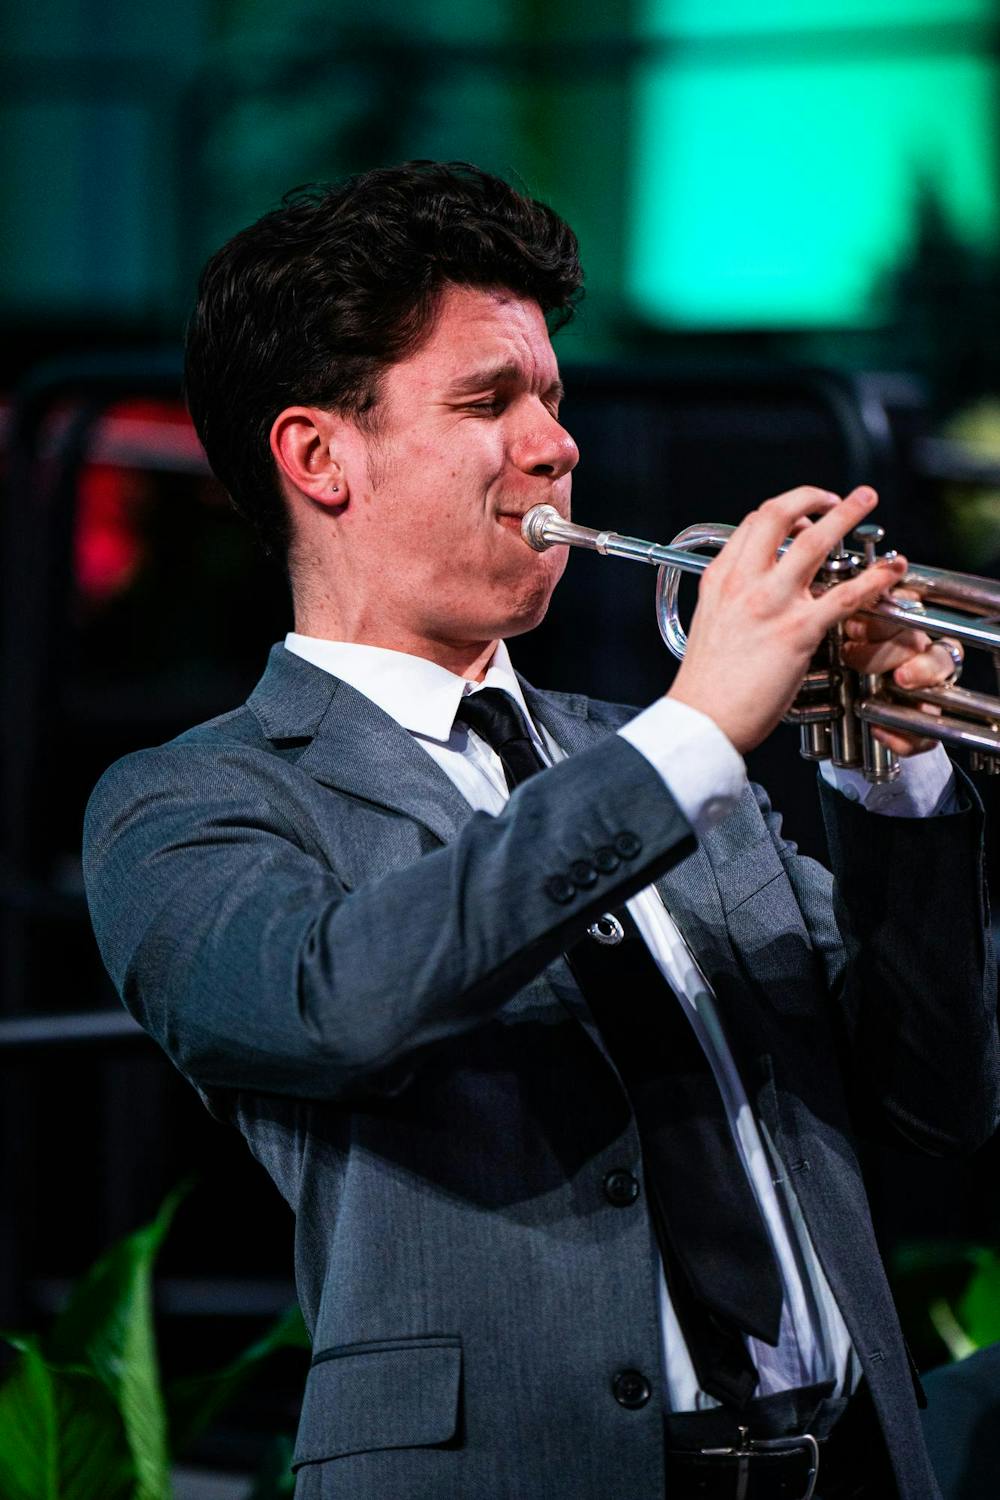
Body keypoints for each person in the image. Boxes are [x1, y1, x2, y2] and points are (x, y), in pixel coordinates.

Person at [83, 161, 998, 1500]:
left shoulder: (665, 757)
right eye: (488, 400)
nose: (555, 443)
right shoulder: (190, 801)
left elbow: (938, 1101)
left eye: (553, 399)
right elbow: (340, 1001)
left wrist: (897, 778)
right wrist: (688, 734)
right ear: (318, 456)